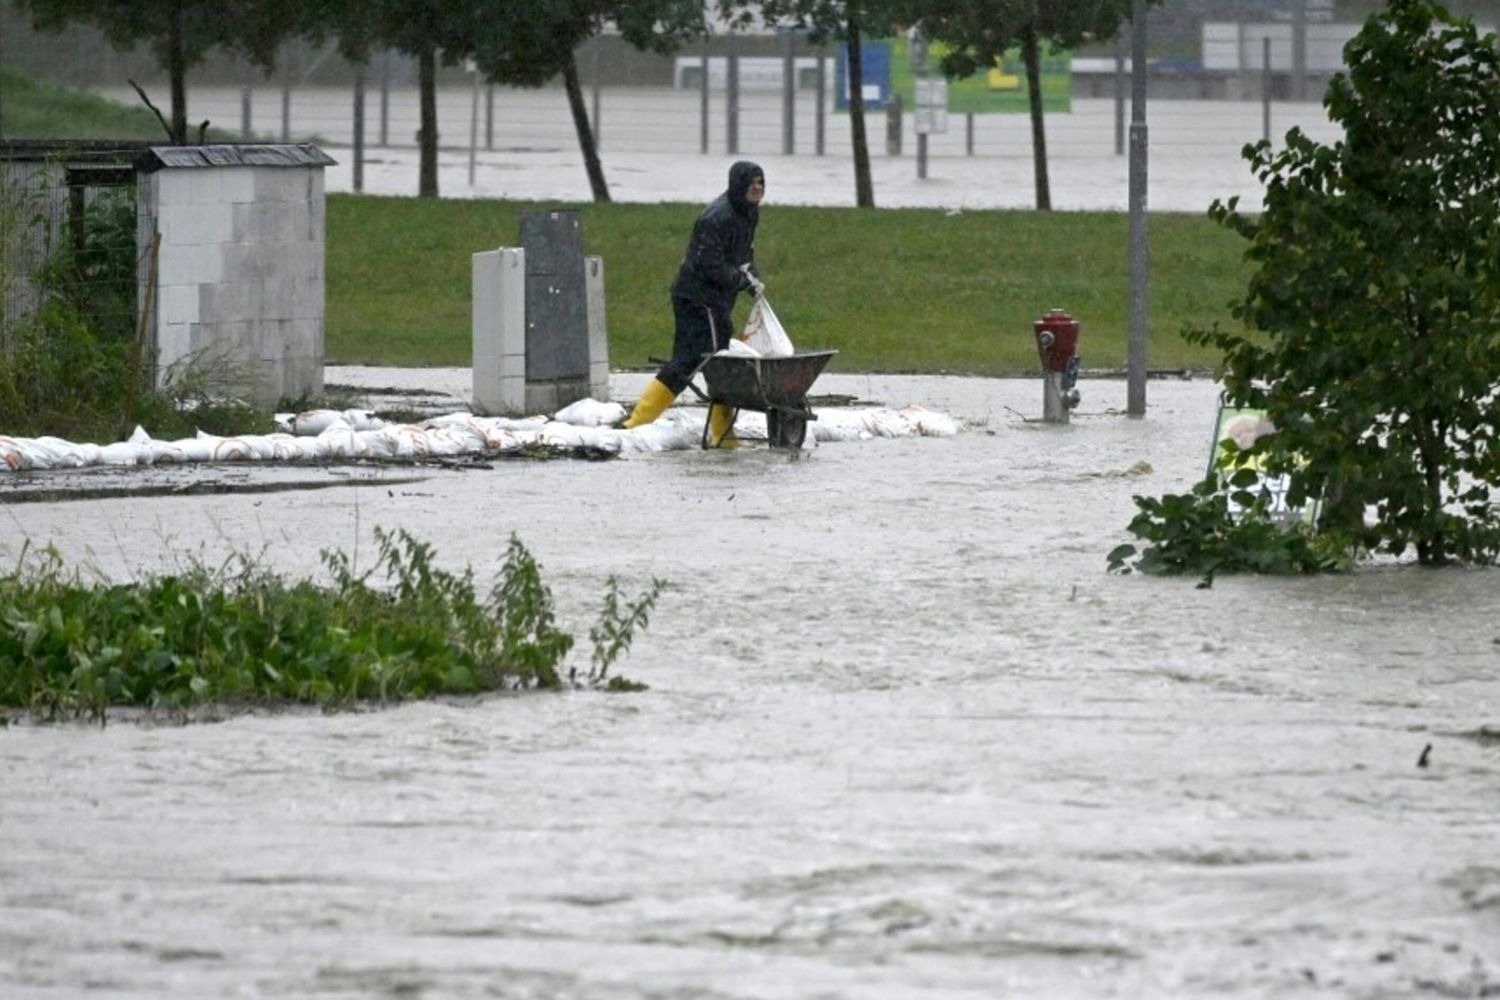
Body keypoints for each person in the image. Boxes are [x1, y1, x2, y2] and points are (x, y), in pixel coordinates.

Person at [623, 160, 766, 447]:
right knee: (715, 361)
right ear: (737, 185)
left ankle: (643, 422)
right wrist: (740, 280)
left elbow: (741, 252)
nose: (757, 189)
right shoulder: (717, 217)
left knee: (698, 360)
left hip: (714, 300)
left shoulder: (748, 214)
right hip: (699, 299)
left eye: (761, 183)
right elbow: (706, 262)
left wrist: (751, 274)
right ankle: (714, 434)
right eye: (751, 183)